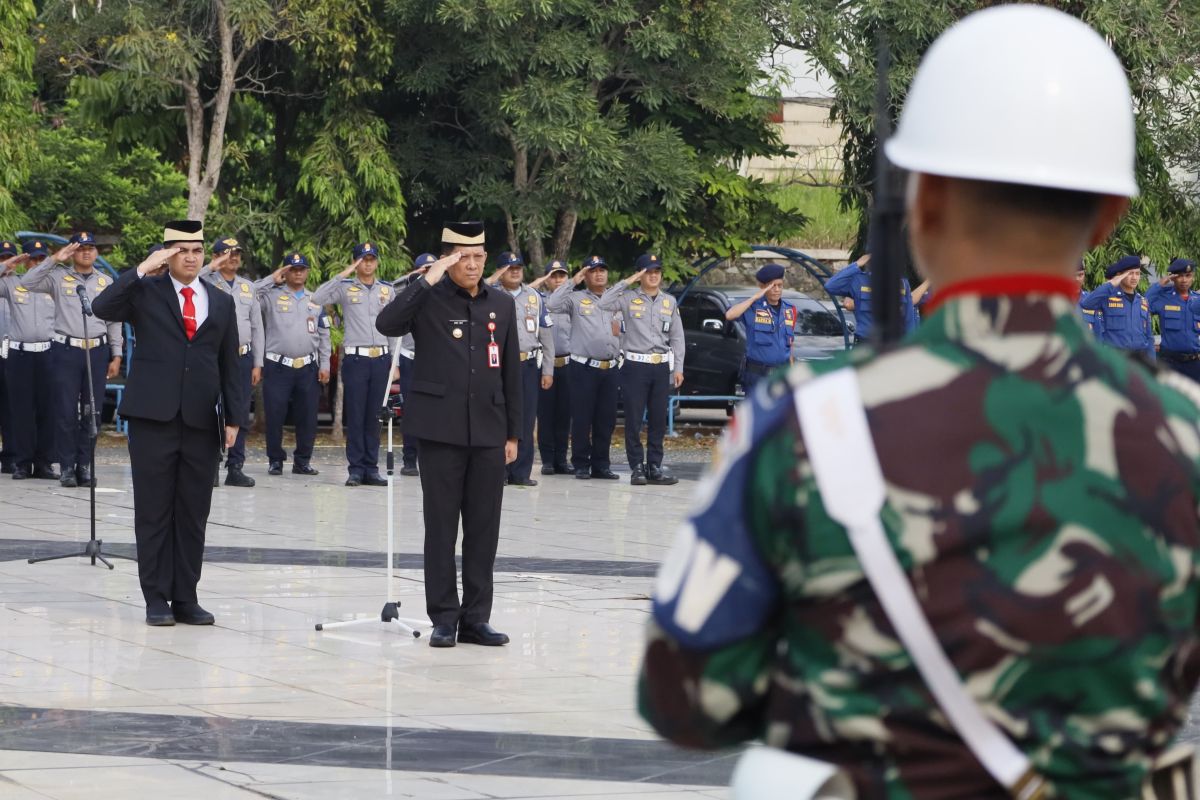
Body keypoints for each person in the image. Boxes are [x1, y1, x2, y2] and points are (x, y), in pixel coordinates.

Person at [638, 6, 1200, 798]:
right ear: (1110, 215)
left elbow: (686, 699)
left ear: (924, 201)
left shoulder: (811, 424)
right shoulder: (1184, 433)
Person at [92, 220, 245, 626]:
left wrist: (234, 417)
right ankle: (156, 598)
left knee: (193, 512)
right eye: (181, 250)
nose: (191, 257)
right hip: (153, 418)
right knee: (154, 510)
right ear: (167, 253)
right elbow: (102, 307)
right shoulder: (145, 292)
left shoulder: (221, 300)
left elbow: (231, 361)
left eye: (196, 250)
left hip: (201, 419)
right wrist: (143, 269)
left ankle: (186, 597)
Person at [375, 221, 521, 649]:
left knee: (483, 529)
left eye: (479, 257)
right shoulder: (429, 299)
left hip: (490, 431)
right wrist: (428, 279)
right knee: (441, 528)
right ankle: (444, 617)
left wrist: (514, 433)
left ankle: (477, 618)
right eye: (464, 257)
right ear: (449, 258)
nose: (473, 265)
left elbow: (512, 372)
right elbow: (388, 323)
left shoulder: (502, 304)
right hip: (440, 431)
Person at [20, 232, 123, 488]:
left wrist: (117, 353)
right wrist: (55, 258)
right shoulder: (57, 277)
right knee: (65, 412)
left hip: (96, 352)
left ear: (96, 253)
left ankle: (85, 465)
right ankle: (66, 467)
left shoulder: (105, 281)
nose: (86, 252)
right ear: (72, 252)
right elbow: (27, 282)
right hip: (66, 351)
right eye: (80, 248)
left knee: (92, 412)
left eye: (90, 248)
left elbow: (114, 320)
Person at [312, 241, 397, 487]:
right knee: (357, 415)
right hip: (357, 359)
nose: (367, 263)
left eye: (371, 259)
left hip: (381, 358)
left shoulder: (386, 290)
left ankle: (372, 468)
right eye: (363, 259)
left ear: (377, 261)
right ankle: (356, 469)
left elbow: (392, 328)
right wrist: (345, 273)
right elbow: (318, 297)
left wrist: (393, 362)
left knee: (375, 417)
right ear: (356, 262)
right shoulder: (346, 289)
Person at [598, 253, 684, 486]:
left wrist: (678, 367)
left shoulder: (669, 302)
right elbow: (603, 303)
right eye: (648, 272)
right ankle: (637, 466)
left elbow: (677, 338)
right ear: (640, 275)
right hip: (635, 366)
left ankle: (655, 466)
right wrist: (627, 281)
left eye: (657, 271)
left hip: (660, 366)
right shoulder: (627, 298)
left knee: (658, 419)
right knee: (634, 419)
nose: (653, 276)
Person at [544, 255, 622, 480]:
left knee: (606, 419)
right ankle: (580, 463)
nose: (599, 274)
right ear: (586, 275)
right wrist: (573, 280)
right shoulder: (576, 298)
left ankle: (601, 464)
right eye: (593, 270)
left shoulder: (616, 299)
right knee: (582, 417)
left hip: (610, 366)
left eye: (602, 270)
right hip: (583, 367)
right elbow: (552, 304)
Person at [254, 252, 331, 477]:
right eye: (292, 269)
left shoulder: (315, 300)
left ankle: (303, 461)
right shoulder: (271, 296)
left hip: (307, 367)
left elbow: (324, 334)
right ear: (285, 272)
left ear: (307, 272)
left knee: (307, 416)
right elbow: (250, 293)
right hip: (278, 365)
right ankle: (275, 460)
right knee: (275, 415)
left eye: (301, 269)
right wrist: (272, 278)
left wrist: (324, 364)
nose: (297, 273)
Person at [485, 251, 554, 486]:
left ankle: (521, 472)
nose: (514, 271)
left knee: (525, 417)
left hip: (527, 364)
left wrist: (548, 370)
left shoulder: (534, 296)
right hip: (498, 365)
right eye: (508, 268)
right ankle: (500, 471)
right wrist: (493, 278)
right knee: (500, 416)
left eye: (518, 267)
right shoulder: (490, 293)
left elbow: (546, 335)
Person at [198, 236, 262, 487]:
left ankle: (235, 466)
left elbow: (257, 326)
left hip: (242, 356)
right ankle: (210, 465)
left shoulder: (248, 287)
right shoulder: (204, 281)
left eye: (236, 253)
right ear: (216, 257)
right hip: (213, 356)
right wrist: (211, 266)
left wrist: (258, 362)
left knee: (239, 410)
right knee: (211, 411)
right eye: (227, 253)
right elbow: (186, 281)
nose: (233, 257)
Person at [0, 242, 57, 480]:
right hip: (20, 353)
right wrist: (5, 266)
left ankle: (44, 462)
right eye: (32, 259)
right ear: (25, 261)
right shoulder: (12, 283)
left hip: (49, 352)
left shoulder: (55, 285)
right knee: (21, 410)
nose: (37, 264)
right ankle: (21, 462)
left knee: (49, 410)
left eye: (41, 259)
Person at [723, 263, 797, 393]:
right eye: (773, 286)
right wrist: (754, 297)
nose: (777, 290)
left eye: (780, 285)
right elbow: (729, 315)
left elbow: (790, 345)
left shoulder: (790, 309)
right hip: (757, 376)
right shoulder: (753, 307)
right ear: (762, 287)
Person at [825, 252, 926, 343]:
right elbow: (830, 286)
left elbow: (908, 320)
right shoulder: (859, 281)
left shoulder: (902, 283)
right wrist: (857, 264)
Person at [394, 253, 435, 476]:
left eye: (432, 268)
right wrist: (413, 277)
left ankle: (433, 456)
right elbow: (388, 290)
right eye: (424, 268)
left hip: (436, 359)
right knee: (410, 410)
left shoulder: (444, 292)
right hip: (410, 358)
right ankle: (410, 459)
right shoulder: (408, 291)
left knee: (436, 410)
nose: (429, 272)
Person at [531, 260, 573, 475]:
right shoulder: (538, 300)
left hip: (567, 363)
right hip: (543, 364)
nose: (558, 280)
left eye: (561, 276)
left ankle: (561, 460)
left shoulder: (573, 301)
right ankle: (547, 459)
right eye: (554, 276)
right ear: (546, 278)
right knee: (546, 414)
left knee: (564, 414)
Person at [1080, 255, 1155, 360]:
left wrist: (1152, 363)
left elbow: (1149, 337)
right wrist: (1112, 284)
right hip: (1116, 360)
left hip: (1139, 361)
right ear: (1120, 275)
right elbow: (1086, 304)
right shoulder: (1107, 297)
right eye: (1130, 274)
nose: (1134, 277)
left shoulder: (1143, 302)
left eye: (1137, 273)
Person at [1146, 258, 1200, 380]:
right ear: (1173, 278)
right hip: (1170, 363)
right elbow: (1144, 305)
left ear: (1193, 277)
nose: (1184, 280)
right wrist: (1159, 285)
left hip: (1194, 363)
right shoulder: (1163, 298)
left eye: (1188, 276)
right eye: (1180, 276)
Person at [1075, 260, 1102, 336]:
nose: (1077, 279)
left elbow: (1098, 331)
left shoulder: (1092, 300)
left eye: (1080, 275)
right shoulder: (1056, 300)